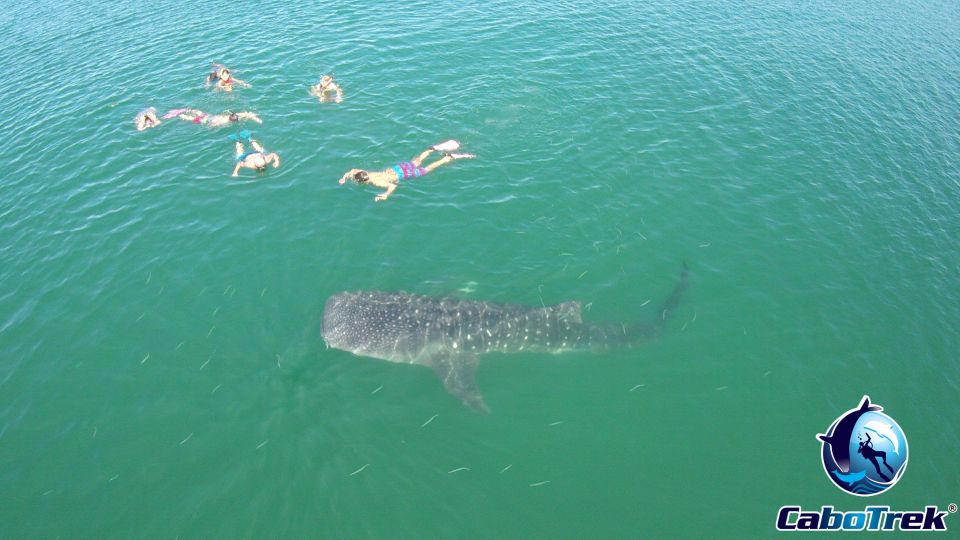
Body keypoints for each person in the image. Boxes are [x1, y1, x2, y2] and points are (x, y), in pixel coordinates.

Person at [337, 140, 474, 201]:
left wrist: (386, 195)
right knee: (416, 162)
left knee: (426, 169)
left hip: (402, 174)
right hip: (397, 168)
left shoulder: (376, 182)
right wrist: (344, 177)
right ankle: (432, 149)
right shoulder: (363, 172)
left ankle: (446, 158)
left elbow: (392, 185)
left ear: (364, 180)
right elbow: (352, 170)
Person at [168, 108, 262, 128]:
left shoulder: (229, 115)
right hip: (205, 120)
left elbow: (245, 114)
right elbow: (212, 125)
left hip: (208, 115)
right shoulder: (224, 122)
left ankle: (182, 110)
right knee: (189, 118)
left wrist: (256, 118)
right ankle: (178, 115)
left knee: (197, 111)